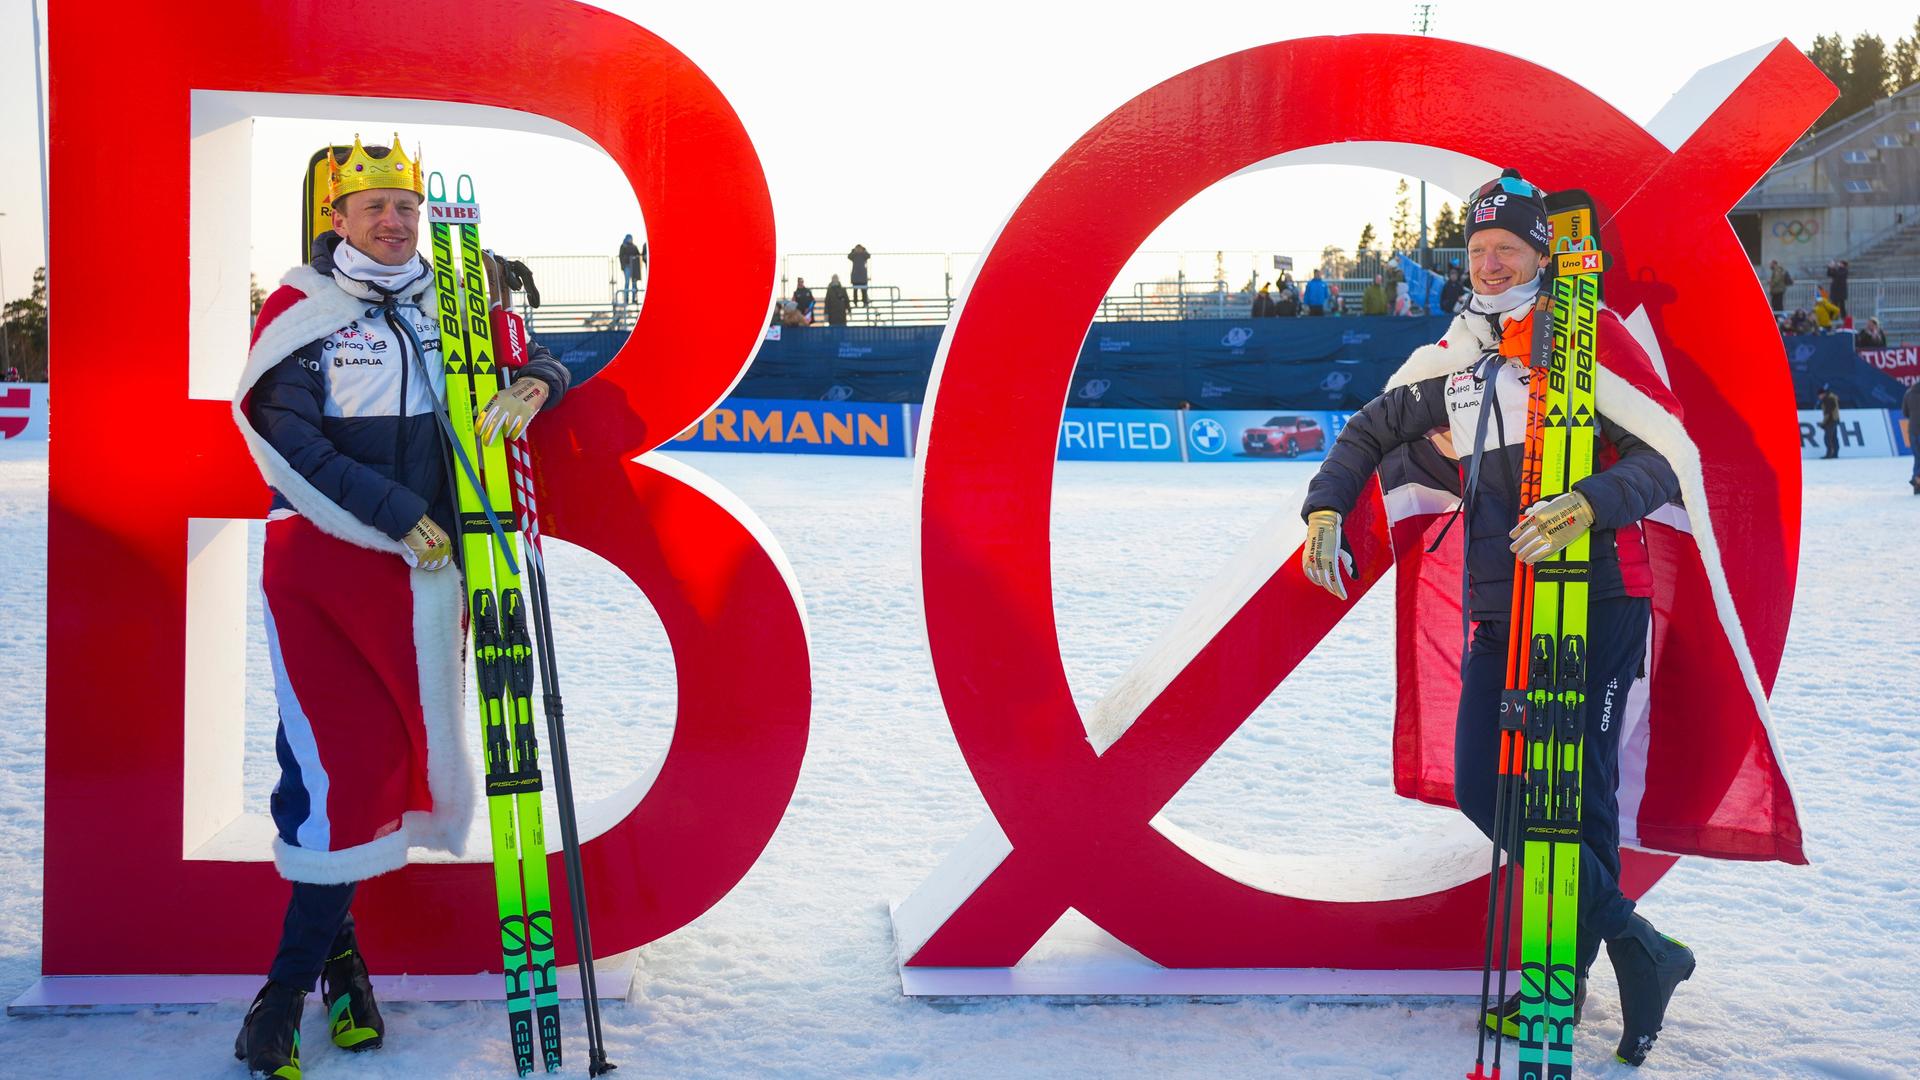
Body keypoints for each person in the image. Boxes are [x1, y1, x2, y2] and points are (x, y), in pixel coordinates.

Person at [1298, 168, 1696, 1066]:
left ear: (1542, 253)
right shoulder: (1461, 365)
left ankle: (1565, 987)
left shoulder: (1589, 346)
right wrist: (1326, 505)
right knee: (1488, 785)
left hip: (1594, 603)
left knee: (1580, 802)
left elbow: (1667, 458)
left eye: (1504, 249)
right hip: (1499, 608)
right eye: (1475, 251)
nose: (1486, 264)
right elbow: (1366, 429)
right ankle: (1640, 946)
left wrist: (1592, 500)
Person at [231, 135, 572, 1080]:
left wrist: (540, 382)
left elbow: (537, 352)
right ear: (334, 219)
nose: (392, 221)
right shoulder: (304, 309)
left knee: (389, 767)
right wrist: (396, 512)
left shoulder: (456, 302)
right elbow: (282, 431)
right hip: (331, 566)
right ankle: (285, 992)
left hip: (425, 581)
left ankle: (340, 965)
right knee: (331, 769)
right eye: (373, 207)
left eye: (406, 208)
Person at [1904, 379, 1920, 494]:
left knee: (1917, 457)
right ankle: (1917, 480)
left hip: (1912, 430)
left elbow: (1905, 413)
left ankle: (1916, 482)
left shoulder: (1908, 393)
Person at [618, 232, 643, 305]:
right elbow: (621, 257)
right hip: (627, 267)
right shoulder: (623, 246)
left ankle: (634, 299)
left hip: (634, 267)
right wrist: (623, 266)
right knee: (627, 283)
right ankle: (626, 299)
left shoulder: (634, 247)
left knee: (634, 283)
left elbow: (638, 255)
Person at [1818, 383, 1841, 458]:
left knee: (1827, 438)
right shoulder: (1832, 397)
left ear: (1823, 394)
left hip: (1831, 421)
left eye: (1819, 395)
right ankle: (1835, 453)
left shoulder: (1827, 399)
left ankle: (1829, 454)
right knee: (1834, 437)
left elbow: (1827, 413)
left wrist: (1823, 423)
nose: (1819, 397)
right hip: (1835, 420)